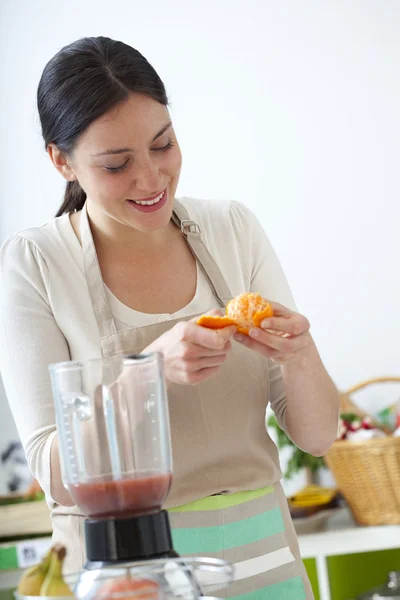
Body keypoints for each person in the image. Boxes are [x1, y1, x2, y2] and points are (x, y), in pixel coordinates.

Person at [0, 36, 339, 598]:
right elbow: (55, 474)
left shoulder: (232, 229)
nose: (151, 178)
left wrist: (301, 356)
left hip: (265, 564)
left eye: (163, 145)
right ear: (61, 161)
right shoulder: (35, 264)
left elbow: (318, 435)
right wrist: (146, 371)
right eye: (116, 164)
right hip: (129, 579)